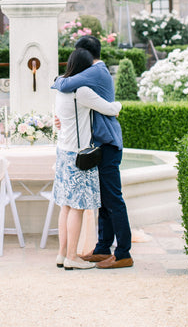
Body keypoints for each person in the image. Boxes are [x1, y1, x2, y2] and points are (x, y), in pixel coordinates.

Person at [52, 34, 133, 269]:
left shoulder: (96, 71)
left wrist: (58, 80)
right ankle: (102, 248)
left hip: (106, 143)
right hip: (96, 145)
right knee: (103, 201)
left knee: (113, 199)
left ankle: (123, 252)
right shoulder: (88, 76)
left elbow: (63, 83)